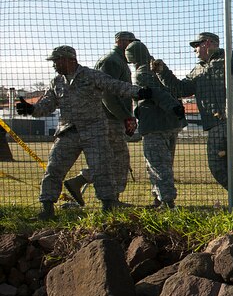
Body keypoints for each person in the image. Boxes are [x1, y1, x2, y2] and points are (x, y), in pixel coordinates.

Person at [15, 45, 153, 219]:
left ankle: (108, 207)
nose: (54, 65)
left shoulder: (91, 75)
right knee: (54, 169)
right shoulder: (56, 82)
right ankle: (47, 209)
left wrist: (138, 92)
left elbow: (114, 86)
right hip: (68, 132)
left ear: (69, 60)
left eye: (57, 61)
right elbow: (47, 104)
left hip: (94, 131)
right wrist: (31, 109)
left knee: (102, 169)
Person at [152, 32, 233, 211]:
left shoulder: (229, 58)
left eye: (196, 45)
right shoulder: (197, 71)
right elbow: (180, 89)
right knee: (216, 164)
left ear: (207, 43)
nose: (194, 50)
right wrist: (163, 72)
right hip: (215, 123)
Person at [63, 31, 138, 206]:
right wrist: (125, 116)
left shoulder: (118, 61)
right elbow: (107, 94)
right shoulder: (111, 61)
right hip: (109, 118)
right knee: (118, 158)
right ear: (120, 42)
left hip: (111, 117)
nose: (134, 46)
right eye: (131, 42)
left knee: (110, 158)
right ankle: (111, 198)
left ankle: (81, 182)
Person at [125, 40, 186, 209]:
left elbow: (156, 93)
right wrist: (176, 109)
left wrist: (172, 107)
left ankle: (167, 202)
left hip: (154, 125)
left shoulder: (141, 74)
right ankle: (159, 199)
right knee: (164, 164)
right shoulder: (156, 69)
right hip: (172, 124)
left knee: (157, 165)